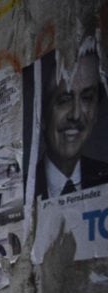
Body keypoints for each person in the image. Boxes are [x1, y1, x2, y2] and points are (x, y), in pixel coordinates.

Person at [35, 45, 108, 199]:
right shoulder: (24, 187)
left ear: (95, 113)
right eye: (64, 100)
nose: (76, 114)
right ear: (42, 116)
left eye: (87, 98)